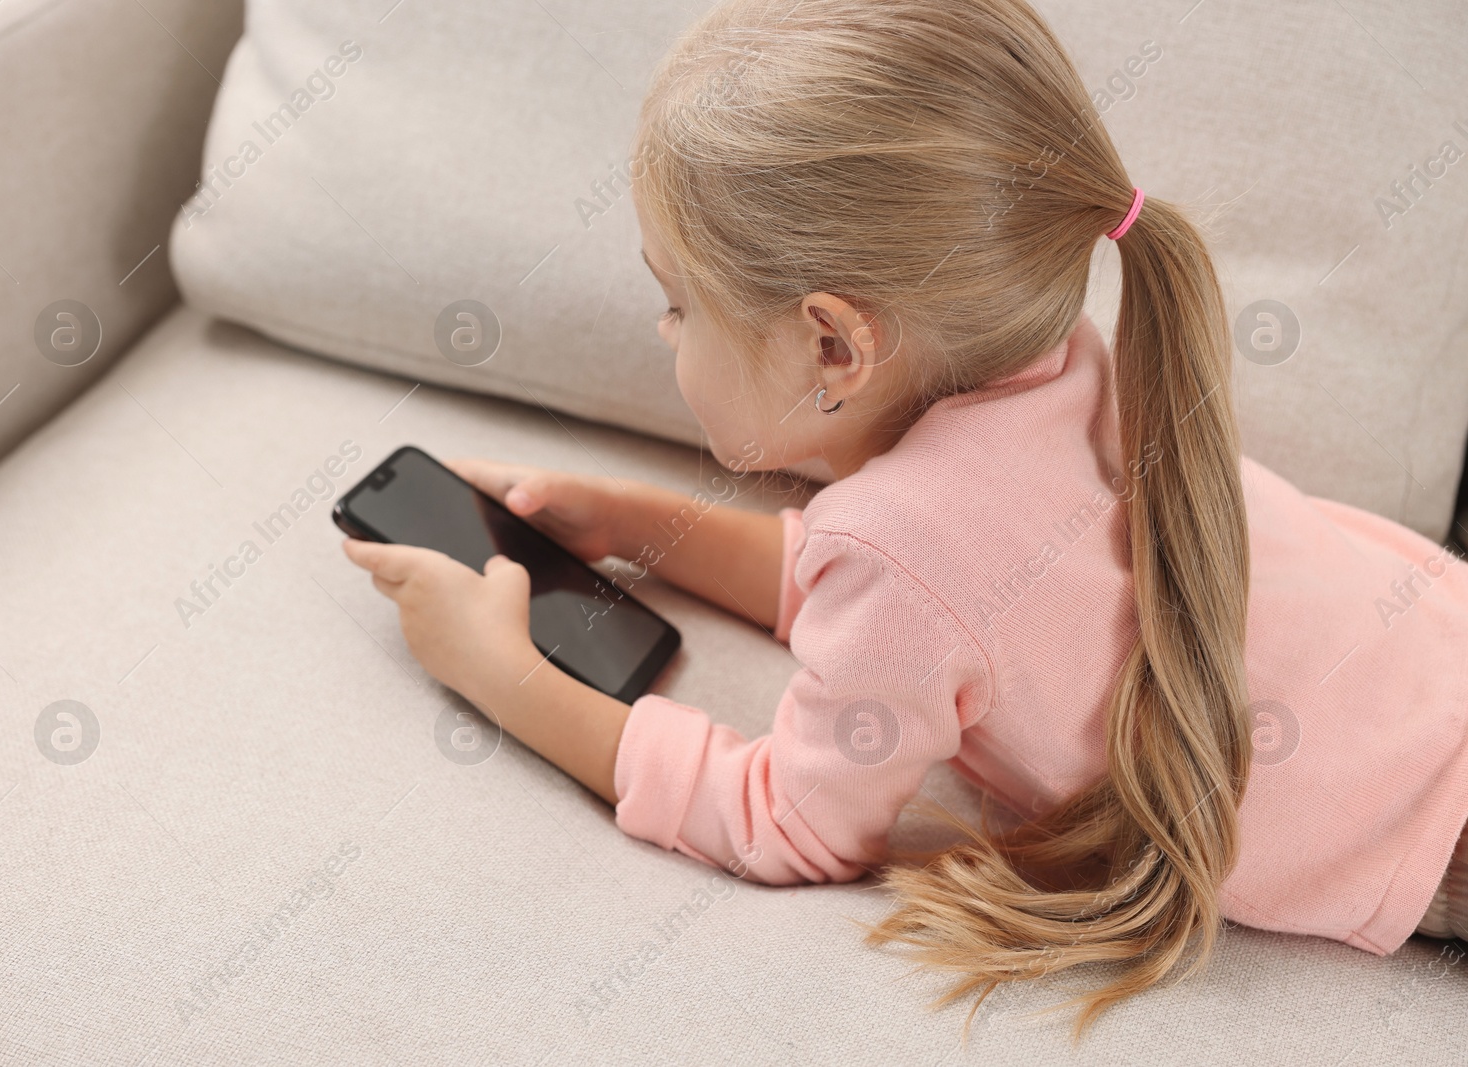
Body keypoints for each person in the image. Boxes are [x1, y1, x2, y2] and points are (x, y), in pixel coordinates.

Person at [342, 0, 1468, 1039]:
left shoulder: (899, 545)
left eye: (677, 301)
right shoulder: (1067, 357)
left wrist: (501, 674)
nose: (661, 330)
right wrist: (638, 523)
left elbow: (789, 820)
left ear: (833, 345)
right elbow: (910, 613)